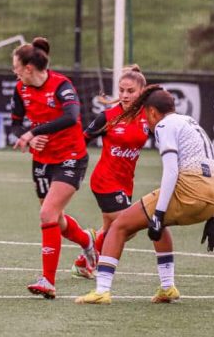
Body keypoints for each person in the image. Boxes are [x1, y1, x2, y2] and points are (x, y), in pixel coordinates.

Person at [76, 86, 214, 304]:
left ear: (152, 112)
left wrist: (159, 212)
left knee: (119, 226)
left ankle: (101, 291)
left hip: (190, 188)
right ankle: (167, 288)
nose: (147, 122)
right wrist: (213, 218)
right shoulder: (191, 122)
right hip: (213, 194)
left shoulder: (164, 124)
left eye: (146, 115)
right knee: (158, 225)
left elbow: (171, 171)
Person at [10, 37, 97, 299]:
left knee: (47, 214)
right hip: (41, 161)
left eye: (16, 66)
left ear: (28, 68)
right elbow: (15, 123)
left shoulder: (62, 86)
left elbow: (70, 118)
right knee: (54, 219)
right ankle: (89, 243)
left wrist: (33, 131)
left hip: (71, 157)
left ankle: (48, 281)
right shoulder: (20, 89)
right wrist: (28, 136)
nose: (13, 70)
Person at [70, 65, 150, 278]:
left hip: (125, 182)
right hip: (105, 180)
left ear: (142, 91)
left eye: (130, 91)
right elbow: (81, 141)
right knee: (128, 227)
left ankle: (83, 259)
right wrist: (69, 164)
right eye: (121, 90)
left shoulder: (148, 117)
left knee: (112, 229)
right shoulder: (108, 117)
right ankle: (97, 265)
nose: (124, 95)